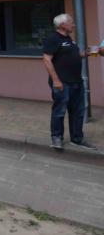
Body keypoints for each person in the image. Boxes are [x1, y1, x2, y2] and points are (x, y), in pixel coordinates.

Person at [42, 14, 96, 151]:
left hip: (76, 82)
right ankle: (56, 138)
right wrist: (56, 80)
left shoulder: (69, 39)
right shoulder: (53, 39)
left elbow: (74, 56)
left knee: (78, 111)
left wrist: (87, 53)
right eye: (71, 22)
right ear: (62, 25)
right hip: (62, 83)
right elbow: (47, 60)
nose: (74, 25)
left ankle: (77, 139)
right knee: (59, 111)